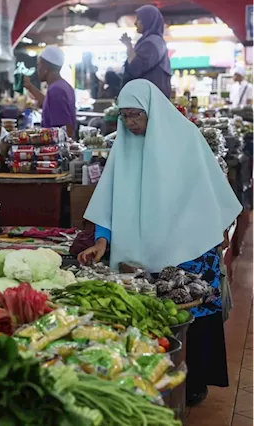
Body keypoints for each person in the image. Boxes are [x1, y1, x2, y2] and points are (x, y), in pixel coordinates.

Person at [77, 79, 242, 407]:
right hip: (141, 254)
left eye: (136, 115)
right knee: (151, 318)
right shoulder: (124, 146)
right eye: (124, 117)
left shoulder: (186, 139)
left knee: (192, 314)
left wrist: (212, 232)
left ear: (152, 110)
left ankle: (195, 381)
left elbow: (206, 194)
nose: (131, 123)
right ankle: (150, 381)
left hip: (190, 250)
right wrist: (101, 241)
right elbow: (110, 201)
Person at [120, 5, 172, 98]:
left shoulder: (153, 42)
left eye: (139, 19)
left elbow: (136, 67)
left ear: (148, 20)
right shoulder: (149, 41)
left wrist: (128, 45)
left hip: (151, 100)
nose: (135, 23)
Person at [24, 46, 76, 138]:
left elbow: (66, 129)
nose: (37, 69)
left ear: (46, 68)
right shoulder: (63, 86)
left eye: (38, 65)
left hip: (56, 150)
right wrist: (29, 86)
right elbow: (49, 103)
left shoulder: (56, 90)